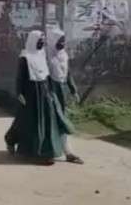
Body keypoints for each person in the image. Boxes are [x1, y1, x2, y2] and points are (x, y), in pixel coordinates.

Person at [4, 30, 75, 166]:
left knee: (44, 122)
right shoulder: (25, 57)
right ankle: (11, 140)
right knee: (26, 121)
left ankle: (43, 153)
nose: (42, 43)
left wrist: (51, 93)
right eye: (39, 41)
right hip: (30, 93)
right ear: (33, 41)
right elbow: (20, 78)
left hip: (44, 93)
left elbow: (46, 75)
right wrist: (19, 93)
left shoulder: (42, 55)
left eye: (43, 41)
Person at [46, 27, 84, 164]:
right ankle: (49, 151)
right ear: (52, 40)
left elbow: (67, 74)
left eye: (64, 41)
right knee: (51, 121)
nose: (62, 44)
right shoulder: (46, 56)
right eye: (60, 41)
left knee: (61, 120)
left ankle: (68, 152)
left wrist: (73, 90)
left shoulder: (63, 55)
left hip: (61, 91)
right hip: (49, 91)